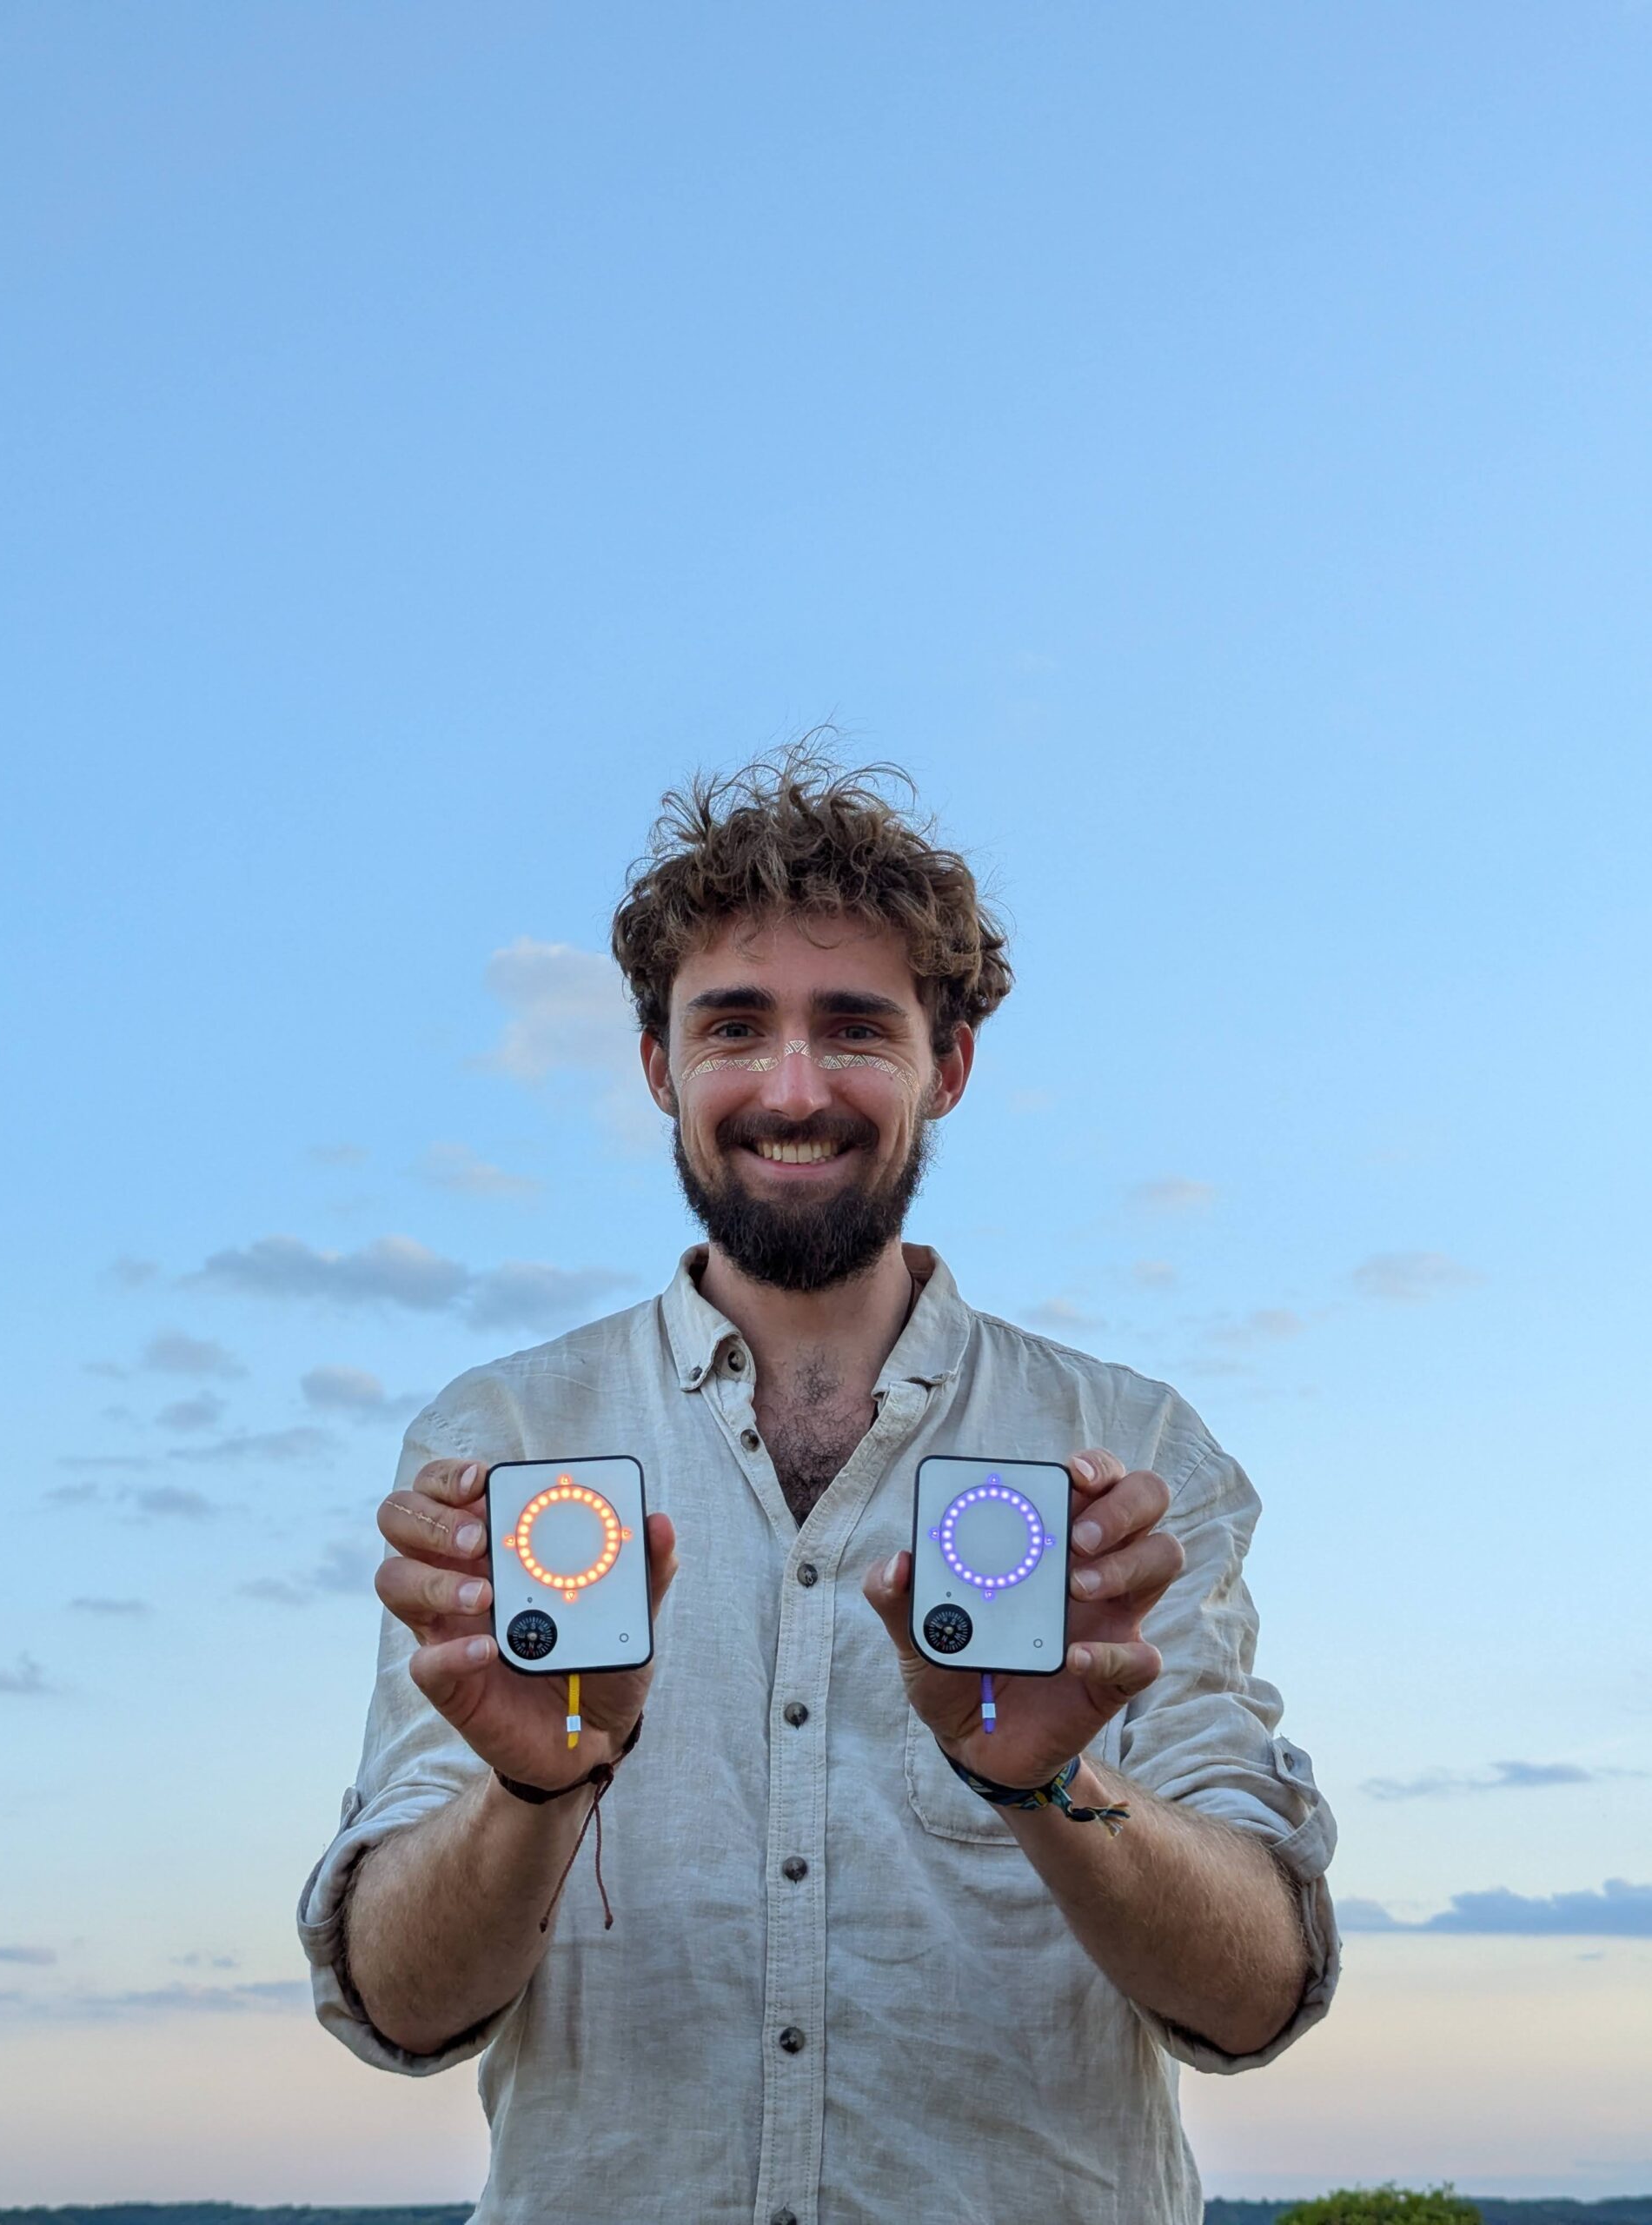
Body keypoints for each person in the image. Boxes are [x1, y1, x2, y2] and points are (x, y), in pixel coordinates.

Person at [298, 748, 1340, 2225]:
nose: (793, 1090)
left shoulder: (1131, 1448)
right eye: (735, 1028)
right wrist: (539, 1786)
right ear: (659, 1067)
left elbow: (1257, 2000)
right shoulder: (504, 1436)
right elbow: (402, 2012)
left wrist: (1048, 1781)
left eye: (855, 1028)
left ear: (949, 1063)